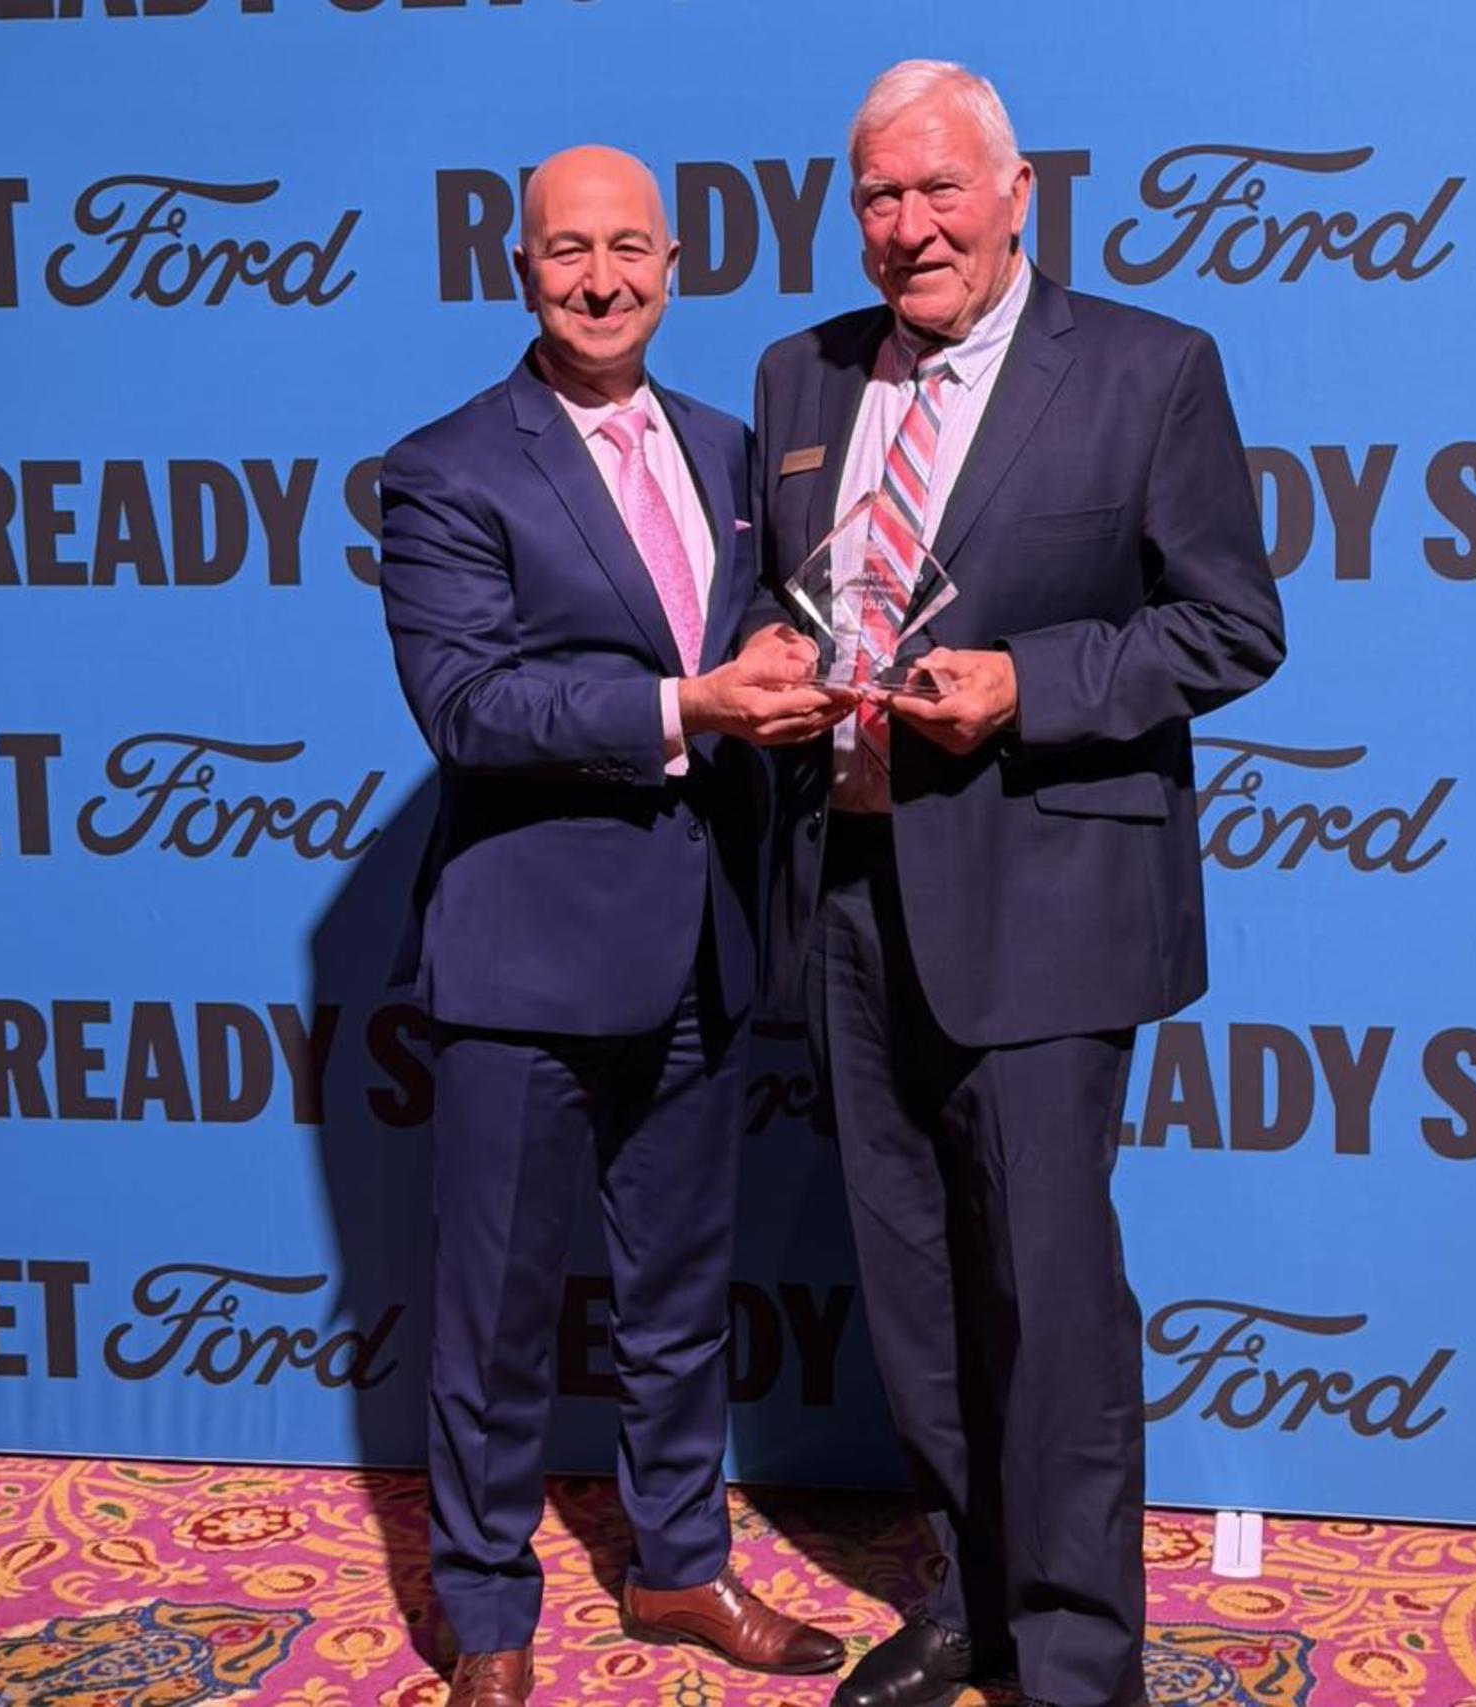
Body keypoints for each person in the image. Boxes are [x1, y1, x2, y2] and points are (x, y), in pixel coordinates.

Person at [743, 62, 1287, 1707]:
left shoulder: (1148, 371)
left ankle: (1074, 1659)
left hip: (1046, 904)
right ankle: (969, 1597)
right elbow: (788, 594)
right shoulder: (799, 376)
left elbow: (1231, 625)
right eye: (880, 200)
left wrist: (1028, 686)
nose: (910, 230)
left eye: (938, 192)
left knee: (1047, 1300)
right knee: (909, 1292)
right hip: (845, 885)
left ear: (1017, 193)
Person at [379, 144, 847, 1707]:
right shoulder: (447, 466)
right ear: (519, 268)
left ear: (672, 265)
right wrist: (687, 704)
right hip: (522, 957)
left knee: (676, 1300)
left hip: (702, 943)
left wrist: (796, 671)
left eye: (630, 248)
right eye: (568, 250)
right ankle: (490, 1617)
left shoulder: (733, 451)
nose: (601, 278)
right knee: (495, 1316)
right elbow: (467, 703)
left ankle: (675, 1571)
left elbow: (780, 630)